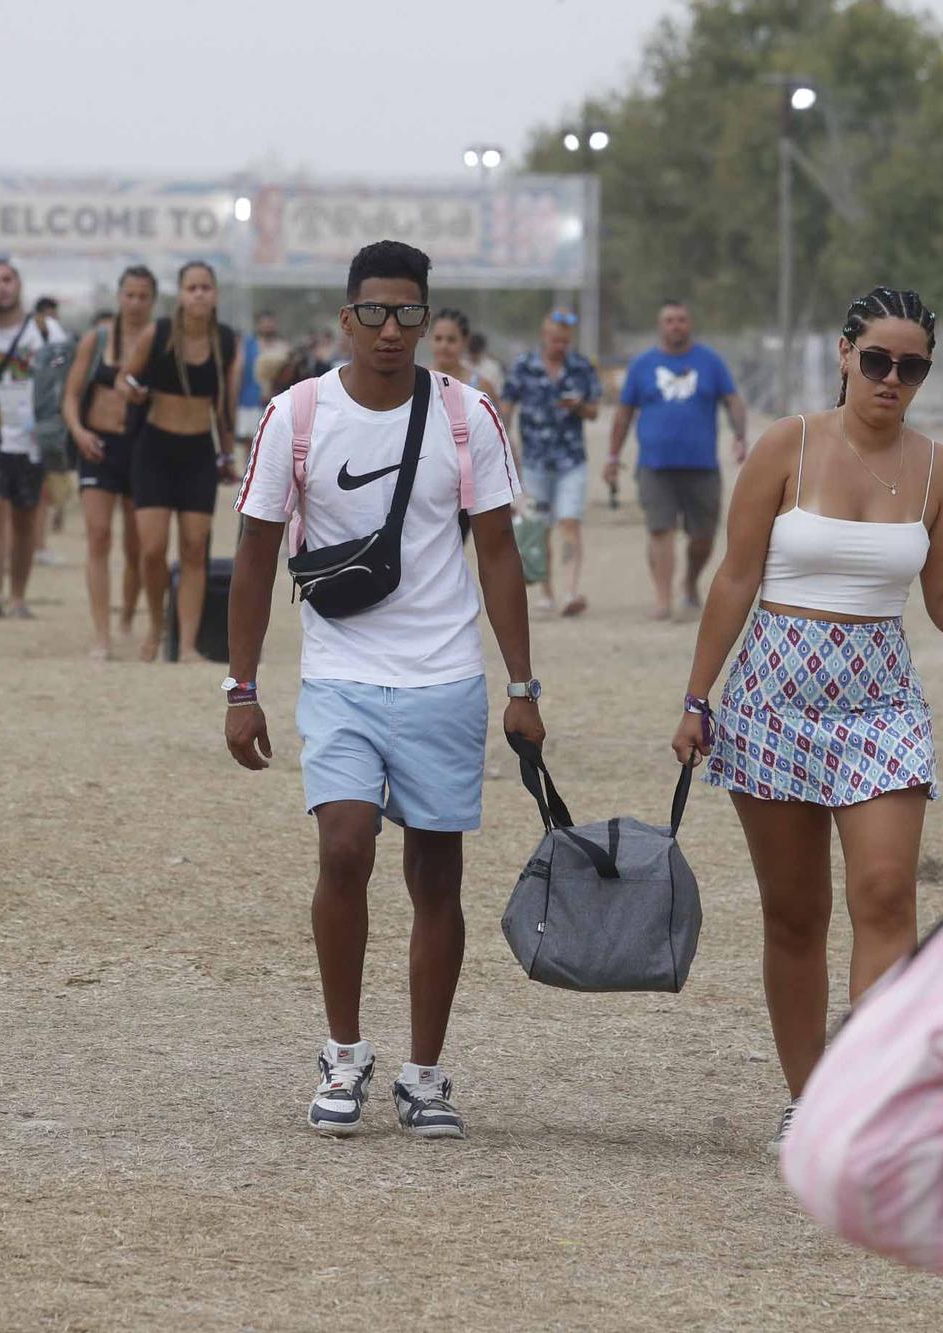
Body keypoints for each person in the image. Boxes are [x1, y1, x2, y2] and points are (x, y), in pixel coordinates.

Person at [671, 286, 943, 1147]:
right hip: (772, 698)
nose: (892, 379)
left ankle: (875, 1096)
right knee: (795, 914)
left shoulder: (940, 468)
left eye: (912, 368)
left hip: (880, 701)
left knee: (885, 892)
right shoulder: (785, 445)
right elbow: (734, 577)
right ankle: (812, 1097)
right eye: (877, 360)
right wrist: (696, 697)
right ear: (844, 353)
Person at [225, 239, 538, 1139]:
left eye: (408, 314)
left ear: (429, 320)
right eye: (374, 313)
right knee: (344, 847)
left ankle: (425, 1073)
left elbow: (499, 553)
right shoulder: (296, 416)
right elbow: (252, 554)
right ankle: (343, 1051)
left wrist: (523, 681)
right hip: (341, 675)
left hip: (445, 678)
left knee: (437, 875)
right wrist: (240, 685)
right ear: (346, 318)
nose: (391, 331)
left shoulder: (469, 416)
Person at [118, 260, 243, 662]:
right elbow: (124, 376)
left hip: (198, 454)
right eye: (192, 288)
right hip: (154, 450)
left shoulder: (226, 342)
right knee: (151, 549)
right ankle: (156, 625)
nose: (199, 294)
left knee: (194, 548)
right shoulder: (159, 333)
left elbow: (225, 405)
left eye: (206, 287)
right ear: (181, 294)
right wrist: (132, 391)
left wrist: (227, 454)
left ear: (215, 294)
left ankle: (187, 644)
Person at [606, 301, 750, 620]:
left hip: (701, 465)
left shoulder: (709, 361)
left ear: (690, 324)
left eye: (681, 320)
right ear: (660, 325)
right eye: (670, 320)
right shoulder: (643, 365)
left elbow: (733, 400)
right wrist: (613, 456)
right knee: (661, 529)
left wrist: (740, 436)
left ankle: (690, 581)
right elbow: (624, 414)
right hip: (655, 465)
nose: (676, 326)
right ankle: (663, 598)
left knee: (703, 536)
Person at [0, 257, 70, 619]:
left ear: (19, 283)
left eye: (6, 280)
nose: (0, 288)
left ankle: (18, 596)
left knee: (26, 516)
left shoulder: (45, 331)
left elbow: (64, 375)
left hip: (31, 436)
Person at [64, 266, 157, 659]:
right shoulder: (96, 340)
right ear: (119, 297)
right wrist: (80, 432)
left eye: (142, 296)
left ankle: (128, 618)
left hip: (140, 449)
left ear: (152, 300)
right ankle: (102, 634)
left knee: (137, 544)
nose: (135, 303)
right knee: (98, 535)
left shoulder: (158, 341)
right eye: (129, 295)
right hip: (98, 447)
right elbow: (70, 396)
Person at [500, 311, 601, 616]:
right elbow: (506, 407)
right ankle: (546, 592)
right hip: (534, 462)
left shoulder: (581, 367)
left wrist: (580, 407)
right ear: (544, 337)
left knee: (570, 523)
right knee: (539, 527)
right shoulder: (524, 367)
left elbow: (594, 411)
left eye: (565, 341)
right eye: (555, 339)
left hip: (571, 460)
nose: (560, 345)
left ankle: (570, 591)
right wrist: (505, 443)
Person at [32, 295, 76, 568]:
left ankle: (37, 543)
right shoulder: (32, 341)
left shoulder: (57, 344)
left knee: (45, 490)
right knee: (38, 491)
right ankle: (34, 544)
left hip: (47, 425)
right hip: (34, 426)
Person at [237, 310, 287, 448]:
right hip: (250, 400)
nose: (267, 327)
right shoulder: (248, 345)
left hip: (275, 401)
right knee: (250, 442)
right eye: (264, 323)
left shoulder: (283, 346)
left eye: (270, 323)